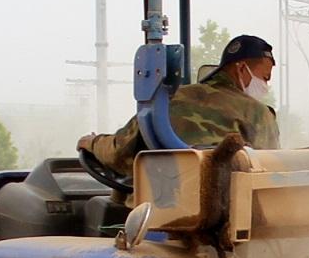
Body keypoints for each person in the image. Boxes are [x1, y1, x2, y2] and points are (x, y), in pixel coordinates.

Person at [78, 34, 280, 177]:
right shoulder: (260, 115)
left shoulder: (171, 99)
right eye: (265, 77)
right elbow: (269, 168)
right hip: (231, 215)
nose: (265, 86)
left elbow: (119, 152)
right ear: (242, 68)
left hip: (162, 215)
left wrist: (92, 143)